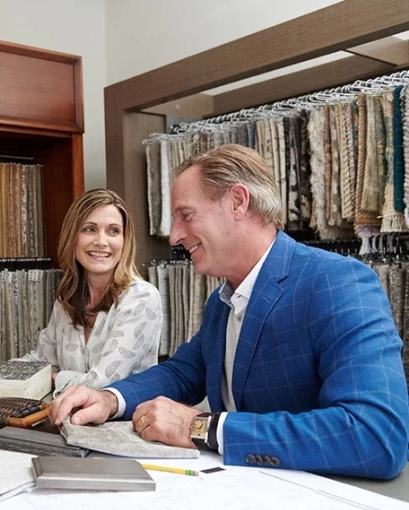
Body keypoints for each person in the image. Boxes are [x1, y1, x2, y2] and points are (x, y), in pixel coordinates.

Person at [51, 144, 409, 479]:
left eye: (185, 216)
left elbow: (376, 434)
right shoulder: (222, 300)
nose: (174, 236)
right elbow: (182, 372)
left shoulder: (337, 282)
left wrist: (204, 427)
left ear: (238, 202)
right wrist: (109, 399)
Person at [0, 189, 163, 395]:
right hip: (64, 423)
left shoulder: (141, 298)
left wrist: (49, 378)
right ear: (72, 237)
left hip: (120, 427)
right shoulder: (68, 301)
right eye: (89, 229)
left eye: (113, 231)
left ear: (125, 241)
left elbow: (101, 385)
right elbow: (41, 361)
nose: (101, 241)